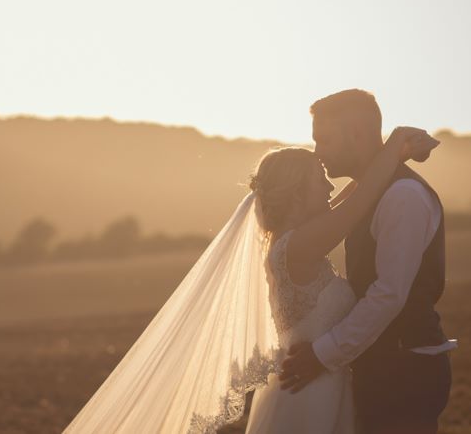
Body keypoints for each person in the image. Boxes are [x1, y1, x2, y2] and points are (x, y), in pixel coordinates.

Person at [61, 98, 439, 433]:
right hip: (309, 389)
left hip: (319, 383)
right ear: (295, 194)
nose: (328, 185)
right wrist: (391, 150)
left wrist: (391, 154)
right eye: (318, 179)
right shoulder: (300, 246)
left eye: (323, 144)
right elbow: (356, 204)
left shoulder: (293, 242)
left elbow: (357, 195)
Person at [279, 89, 455, 434]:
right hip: (382, 368)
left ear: (356, 134)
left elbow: (389, 294)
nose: (318, 153)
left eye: (324, 139)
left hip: (406, 371)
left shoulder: (402, 196)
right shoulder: (369, 192)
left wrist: (322, 354)